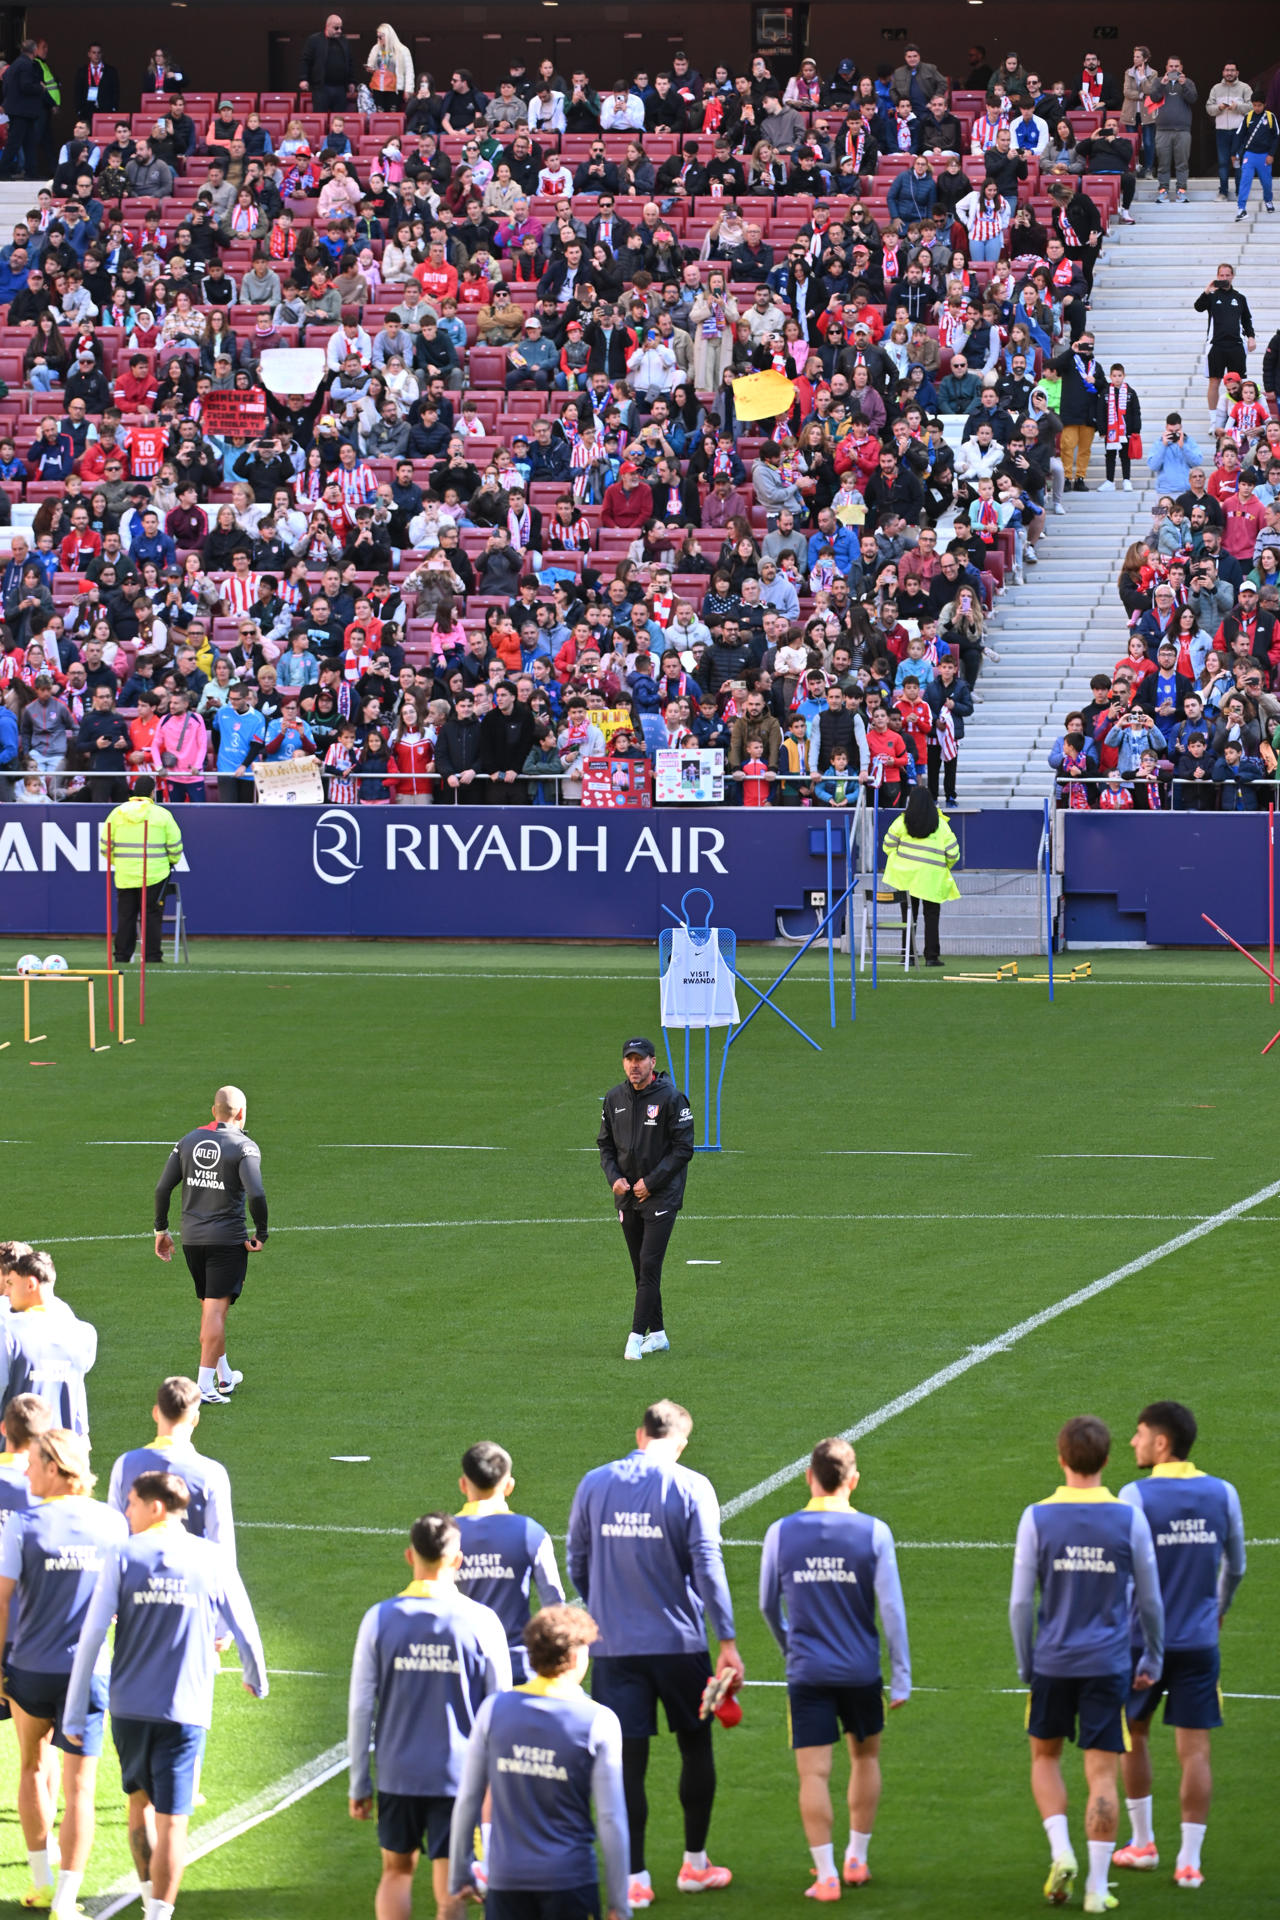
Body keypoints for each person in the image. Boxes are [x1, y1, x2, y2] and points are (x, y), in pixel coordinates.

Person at [63, 1469, 268, 1920]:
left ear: (155, 1506)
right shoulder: (212, 1558)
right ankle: (159, 1914)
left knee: (139, 1805)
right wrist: (257, 1674)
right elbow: (244, 1626)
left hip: (130, 1708)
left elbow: (93, 1634)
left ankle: (145, 1897)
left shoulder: (122, 1554)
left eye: (131, 1503)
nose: (125, 1512)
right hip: (186, 1707)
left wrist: (75, 1712)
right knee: (174, 1821)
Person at [567, 1399, 743, 1905]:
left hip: (614, 1647)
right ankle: (694, 1865)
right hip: (679, 1644)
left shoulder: (594, 1482)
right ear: (680, 1443)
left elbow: (577, 1558)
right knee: (695, 1746)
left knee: (626, 1763)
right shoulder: (691, 1486)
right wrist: (726, 1639)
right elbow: (707, 1564)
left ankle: (634, 1879)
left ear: (639, 1433)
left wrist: (601, 1608)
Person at [1010, 1416, 1165, 1915]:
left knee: (1045, 1757)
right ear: (1105, 1460)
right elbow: (1150, 1600)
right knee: (1102, 1773)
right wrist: (1154, 1655)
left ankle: (1061, 1851)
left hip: (1053, 1660)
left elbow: (1018, 1604)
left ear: (1061, 1458)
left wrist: (1025, 1662)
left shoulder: (1036, 1516)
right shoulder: (1128, 1517)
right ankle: (1098, 1889)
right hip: (1108, 1662)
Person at [759, 1437, 910, 1900]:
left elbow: (767, 1606)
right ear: (854, 1480)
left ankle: (826, 1876)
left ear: (809, 1477)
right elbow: (892, 1609)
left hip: (808, 1672)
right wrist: (900, 1673)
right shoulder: (874, 1532)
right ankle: (857, 1860)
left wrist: (791, 1648)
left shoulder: (780, 1532)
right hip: (861, 1672)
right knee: (865, 1758)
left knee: (814, 1775)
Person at [347, 1512, 512, 1920]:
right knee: (451, 1879)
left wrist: (359, 1781)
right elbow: (501, 1705)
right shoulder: (483, 1622)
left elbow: (360, 1706)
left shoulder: (379, 1618)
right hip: (460, 1776)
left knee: (396, 1871)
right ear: (457, 1561)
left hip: (398, 1772)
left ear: (409, 1556)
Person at [1112, 1401, 1247, 1890]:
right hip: (1199, 1640)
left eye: (1139, 1433)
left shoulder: (1135, 1495)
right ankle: (1189, 1862)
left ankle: (1143, 1843)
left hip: (1142, 1641)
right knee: (1195, 1751)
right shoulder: (1223, 1492)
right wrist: (1219, 1607)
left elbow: (1125, 1572)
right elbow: (1237, 1565)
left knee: (1135, 1734)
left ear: (1161, 1443)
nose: (1133, 1441)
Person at [0, 1428, 128, 1919]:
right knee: (80, 1790)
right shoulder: (113, 1524)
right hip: (88, 1674)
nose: (26, 1472)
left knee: (30, 1765)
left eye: (33, 1464)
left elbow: (3, 1599)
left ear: (55, 1468)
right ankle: (67, 1901)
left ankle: (41, 1882)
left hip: (29, 1669)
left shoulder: (24, 1525)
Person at [448, 1604, 630, 1920]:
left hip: (506, 1880)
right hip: (569, 1880)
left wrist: (458, 1872)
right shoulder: (599, 1721)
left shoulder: (493, 1710)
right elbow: (611, 1818)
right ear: (575, 1658)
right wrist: (619, 1903)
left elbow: (468, 1799)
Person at [153, 1085, 268, 1405]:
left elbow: (163, 1188)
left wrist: (160, 1230)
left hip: (192, 1240)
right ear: (242, 1114)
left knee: (209, 1308)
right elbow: (256, 1194)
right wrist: (262, 1232)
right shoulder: (244, 1147)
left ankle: (225, 1376)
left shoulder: (187, 1141)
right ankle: (203, 1386)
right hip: (227, 1240)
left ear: (212, 1111)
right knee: (216, 1312)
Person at [596, 1037, 695, 1362]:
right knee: (641, 1270)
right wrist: (615, 1179)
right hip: (628, 1198)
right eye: (629, 1059)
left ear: (653, 1062)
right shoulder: (614, 1098)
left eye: (640, 1059)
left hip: (661, 1195)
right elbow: (605, 1145)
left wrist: (650, 1183)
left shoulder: (672, 1099)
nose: (634, 1065)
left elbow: (683, 1149)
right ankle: (660, 1335)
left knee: (650, 1266)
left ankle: (635, 1338)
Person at [455, 1440, 566, 1683]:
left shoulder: (447, 1535)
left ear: (463, 1484)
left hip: (462, 1667)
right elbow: (554, 1606)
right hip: (515, 1668)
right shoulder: (531, 1532)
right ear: (509, 1486)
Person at [107, 1376, 235, 1551]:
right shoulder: (212, 1473)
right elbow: (222, 1546)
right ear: (195, 1419)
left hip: (137, 1575)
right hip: (192, 1575)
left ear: (155, 1413)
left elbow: (113, 1535)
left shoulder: (124, 1464)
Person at [0, 1248, 96, 1438]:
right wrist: (82, 1436)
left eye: (11, 1284)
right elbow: (77, 1391)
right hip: (62, 1453)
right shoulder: (83, 1333)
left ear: (30, 1284)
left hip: (16, 1454)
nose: (7, 1292)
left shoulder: (7, 1331)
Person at [99, 776, 184, 968]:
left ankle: (121, 956)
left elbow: (105, 846)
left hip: (125, 874)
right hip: (155, 874)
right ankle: (152, 956)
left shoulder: (117, 813)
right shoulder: (161, 814)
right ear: (152, 792)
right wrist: (171, 861)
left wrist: (118, 862)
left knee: (126, 916)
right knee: (152, 915)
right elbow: (175, 846)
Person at [880, 786, 960, 968]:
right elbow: (953, 853)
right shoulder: (941, 824)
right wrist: (943, 866)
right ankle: (931, 957)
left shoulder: (901, 822)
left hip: (905, 878)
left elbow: (888, 844)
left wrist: (899, 862)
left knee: (908, 917)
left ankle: (907, 956)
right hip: (932, 878)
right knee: (932, 917)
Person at [1195, 266, 1256, 426]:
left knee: (1238, 382)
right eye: (1221, 275)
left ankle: (1240, 417)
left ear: (1233, 276)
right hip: (1216, 345)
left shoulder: (1240, 298)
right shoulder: (1212, 296)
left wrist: (1251, 337)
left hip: (1236, 345)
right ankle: (1214, 421)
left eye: (1227, 275)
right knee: (1214, 381)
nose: (1224, 278)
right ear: (1217, 276)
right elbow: (1198, 307)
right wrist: (1207, 291)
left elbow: (1247, 320)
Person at [300, 12, 355, 112]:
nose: (339, 31)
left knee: (339, 120)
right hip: (321, 88)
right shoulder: (314, 40)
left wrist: (351, 81)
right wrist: (303, 78)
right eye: (336, 28)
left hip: (340, 88)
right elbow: (305, 60)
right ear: (328, 26)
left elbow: (350, 62)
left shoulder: (344, 41)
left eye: (341, 28)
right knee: (320, 116)